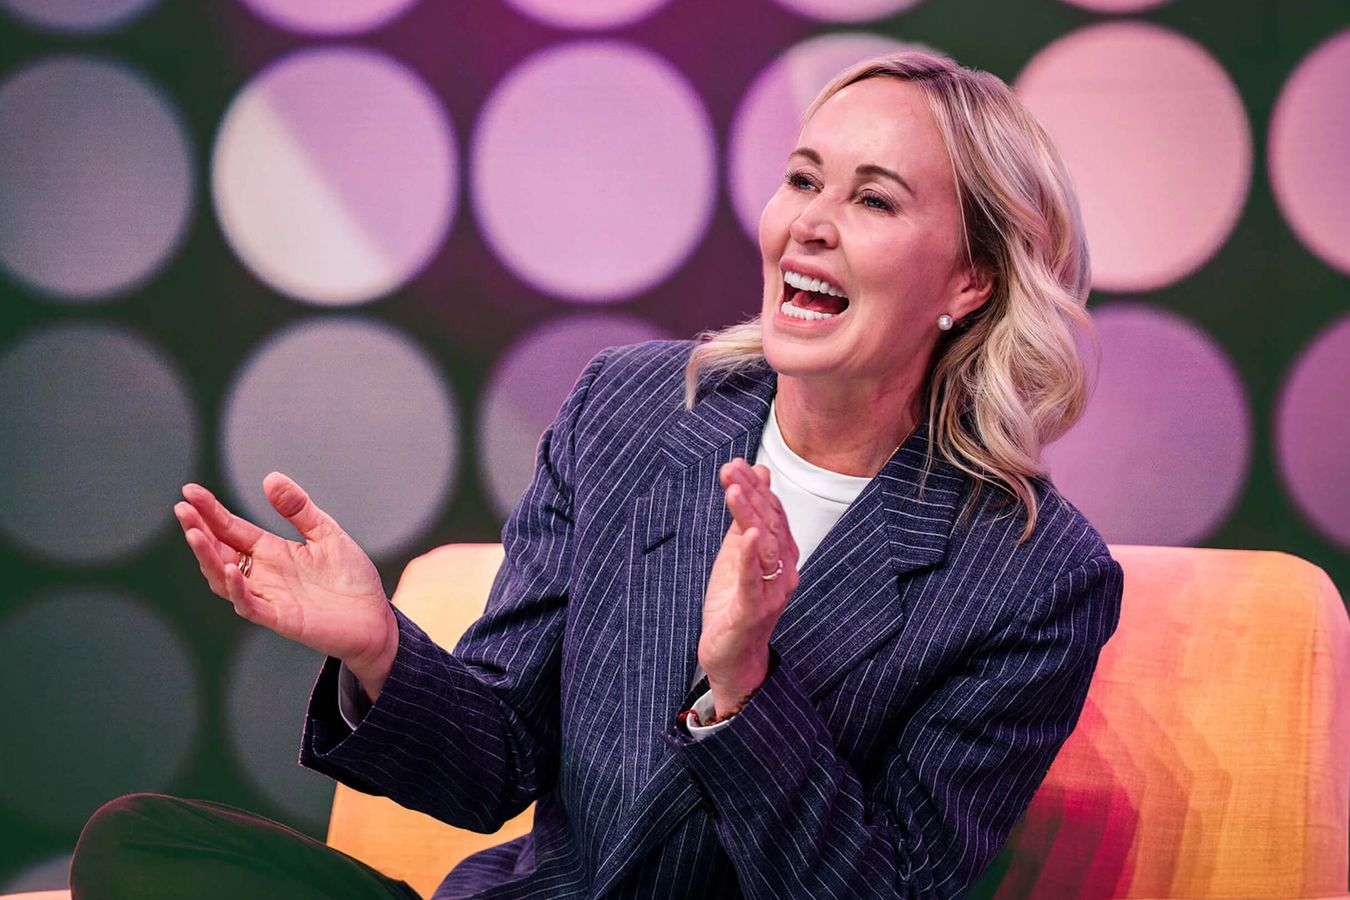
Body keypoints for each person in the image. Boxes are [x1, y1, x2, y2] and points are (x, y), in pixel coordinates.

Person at [71, 49, 1123, 899]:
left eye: (874, 201)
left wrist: (743, 691)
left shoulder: (1031, 571)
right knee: (145, 848)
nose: (808, 220)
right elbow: (498, 768)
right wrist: (383, 651)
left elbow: (889, 889)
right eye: (802, 179)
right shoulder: (631, 409)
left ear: (971, 280)